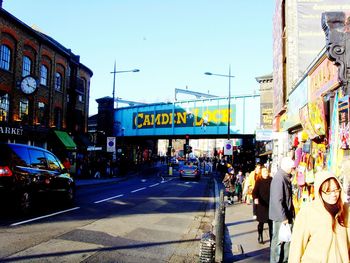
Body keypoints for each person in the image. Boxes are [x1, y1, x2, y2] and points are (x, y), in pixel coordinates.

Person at [288, 171, 350, 262]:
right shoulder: (308, 211)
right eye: (328, 191)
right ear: (319, 191)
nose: (334, 194)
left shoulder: (345, 210)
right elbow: (297, 247)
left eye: (336, 189)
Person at [269, 156, 295, 263]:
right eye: (292, 167)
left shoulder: (284, 177)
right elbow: (277, 200)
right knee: (279, 242)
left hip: (284, 215)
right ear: (286, 167)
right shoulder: (280, 178)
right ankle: (275, 261)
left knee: (286, 240)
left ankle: (283, 260)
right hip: (281, 217)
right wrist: (283, 217)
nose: (293, 169)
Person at [252, 167, 273, 244]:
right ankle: (260, 236)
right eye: (264, 171)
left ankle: (272, 239)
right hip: (261, 205)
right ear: (261, 172)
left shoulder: (271, 179)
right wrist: (256, 198)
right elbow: (254, 192)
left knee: (271, 223)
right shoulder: (259, 181)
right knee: (261, 223)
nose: (266, 172)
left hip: (270, 204)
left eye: (266, 171)